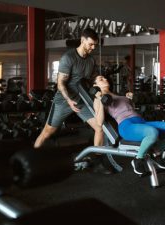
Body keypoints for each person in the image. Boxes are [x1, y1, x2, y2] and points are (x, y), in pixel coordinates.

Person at [34, 28, 112, 173]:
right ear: (82, 40)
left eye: (95, 45)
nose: (93, 48)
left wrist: (98, 79)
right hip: (64, 101)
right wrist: (69, 100)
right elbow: (60, 83)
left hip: (82, 100)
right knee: (47, 132)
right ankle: (32, 161)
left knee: (99, 127)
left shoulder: (90, 60)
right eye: (90, 44)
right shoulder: (68, 58)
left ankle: (98, 162)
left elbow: (92, 76)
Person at [91, 74, 165, 175]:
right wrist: (99, 98)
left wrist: (131, 99)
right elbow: (99, 122)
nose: (105, 79)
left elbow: (131, 109)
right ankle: (138, 159)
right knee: (152, 132)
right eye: (101, 79)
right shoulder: (99, 99)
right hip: (126, 126)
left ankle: (155, 151)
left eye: (104, 77)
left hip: (141, 122)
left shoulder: (118, 95)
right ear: (95, 85)